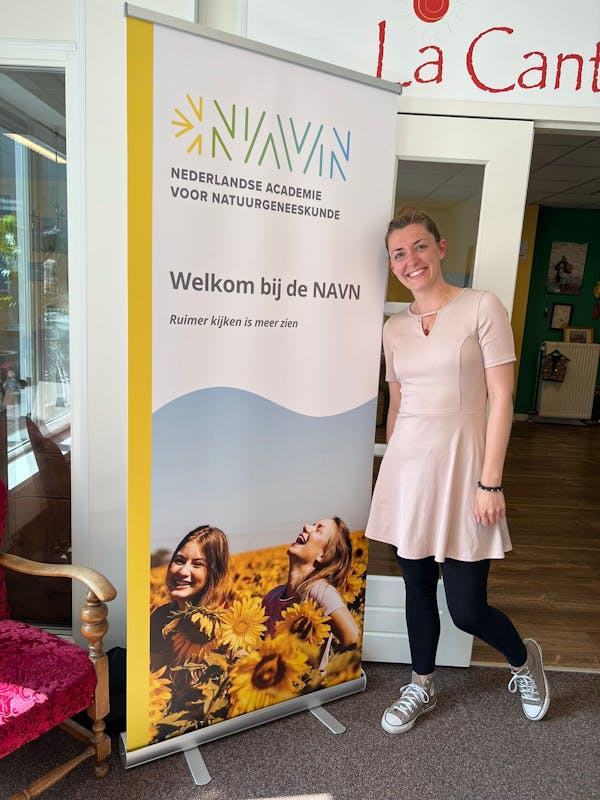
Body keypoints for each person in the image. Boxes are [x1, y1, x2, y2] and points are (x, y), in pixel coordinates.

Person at [366, 207, 550, 734]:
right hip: (410, 472)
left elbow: (502, 398)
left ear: (441, 248)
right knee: (417, 586)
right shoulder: (394, 328)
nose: (411, 260)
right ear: (391, 265)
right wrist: (393, 474)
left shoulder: (480, 307)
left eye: (419, 246)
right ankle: (421, 684)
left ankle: (524, 661)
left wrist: (490, 481)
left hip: (467, 470)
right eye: (399, 254)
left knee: (467, 608)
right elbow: (397, 403)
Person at [262, 517, 359, 666]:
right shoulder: (271, 597)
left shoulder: (320, 592)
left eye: (318, 529)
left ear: (323, 556)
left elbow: (354, 640)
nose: (306, 527)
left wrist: (333, 672)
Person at [150, 524, 230, 672]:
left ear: (214, 573)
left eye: (198, 564)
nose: (183, 571)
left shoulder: (227, 624)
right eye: (179, 560)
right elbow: (154, 674)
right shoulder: (159, 618)